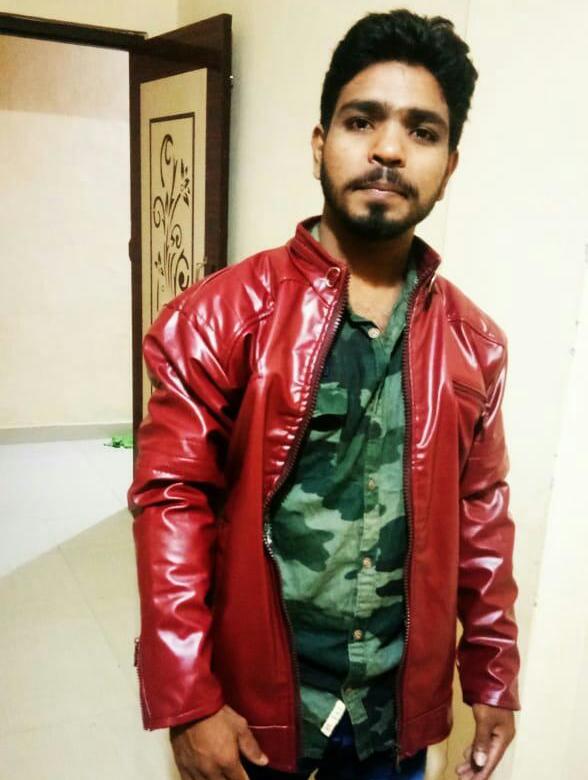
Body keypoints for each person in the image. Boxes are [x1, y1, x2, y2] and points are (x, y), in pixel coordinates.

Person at [128, 9, 520, 780]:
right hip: (253, 711)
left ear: (449, 166)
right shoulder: (218, 319)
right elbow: (172, 500)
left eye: (421, 131)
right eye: (361, 120)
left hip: (391, 720)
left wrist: (493, 677)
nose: (388, 149)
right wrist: (189, 698)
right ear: (319, 144)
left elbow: (483, 515)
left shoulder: (476, 344)